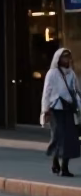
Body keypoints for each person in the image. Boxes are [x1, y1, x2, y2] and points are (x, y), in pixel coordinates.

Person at [41, 47, 80, 177]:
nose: (66, 59)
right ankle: (55, 161)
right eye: (64, 56)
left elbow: (76, 92)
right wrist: (45, 110)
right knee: (58, 136)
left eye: (68, 56)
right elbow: (46, 93)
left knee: (69, 139)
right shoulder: (52, 73)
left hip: (68, 110)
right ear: (58, 58)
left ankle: (64, 168)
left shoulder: (71, 74)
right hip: (55, 110)